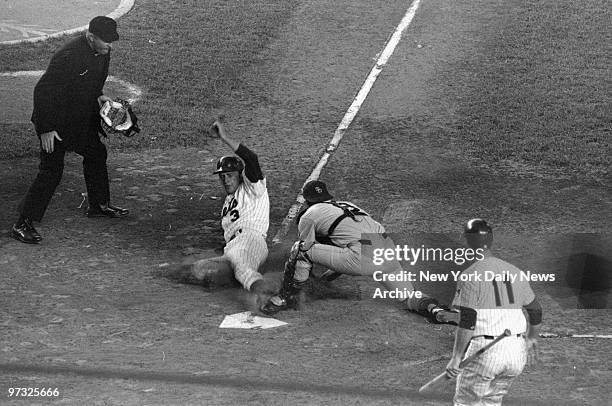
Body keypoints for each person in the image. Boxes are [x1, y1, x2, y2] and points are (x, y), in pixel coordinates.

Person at [260, 180, 457, 323]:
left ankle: (285, 297)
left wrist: (309, 278)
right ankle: (434, 309)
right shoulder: (348, 206)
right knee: (408, 296)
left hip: (361, 257)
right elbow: (344, 252)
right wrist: (325, 279)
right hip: (387, 253)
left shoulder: (309, 215)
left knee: (299, 250)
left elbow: (306, 247)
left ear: (307, 201)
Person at [11, 16, 128, 244]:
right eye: (105, 41)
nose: (109, 46)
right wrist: (46, 129)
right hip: (54, 121)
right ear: (91, 37)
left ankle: (98, 205)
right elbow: (42, 91)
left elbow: (94, 83)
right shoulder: (68, 55)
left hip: (78, 119)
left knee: (96, 153)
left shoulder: (103, 52)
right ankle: (22, 223)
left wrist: (100, 96)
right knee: (51, 170)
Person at [168, 120, 273, 304]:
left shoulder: (252, 189)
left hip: (251, 240)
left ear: (241, 175)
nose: (226, 180)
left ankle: (270, 297)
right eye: (222, 177)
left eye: (230, 175)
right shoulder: (228, 202)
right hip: (232, 248)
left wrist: (224, 138)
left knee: (243, 267)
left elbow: (252, 158)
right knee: (197, 269)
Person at [445, 218, 542, 406]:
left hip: (486, 353)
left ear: (466, 242)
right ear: (491, 240)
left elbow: (467, 320)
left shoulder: (470, 274)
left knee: (465, 404)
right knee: (491, 402)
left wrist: (456, 358)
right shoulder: (515, 271)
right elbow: (536, 310)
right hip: (516, 353)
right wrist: (531, 338)